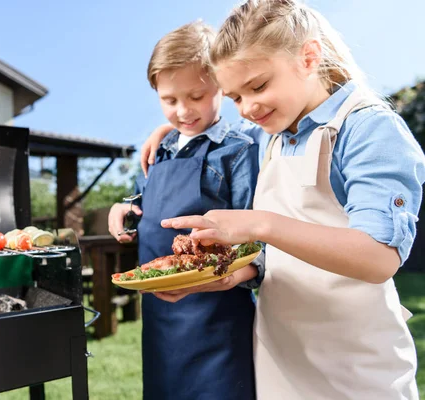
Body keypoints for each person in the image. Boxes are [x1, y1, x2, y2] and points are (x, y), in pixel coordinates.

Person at [141, 1, 425, 399]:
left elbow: (378, 258)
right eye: (236, 96)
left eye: (258, 86)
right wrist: (220, 278)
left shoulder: (367, 129)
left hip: (354, 364)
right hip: (279, 358)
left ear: (309, 57)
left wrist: (260, 224)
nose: (248, 108)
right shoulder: (269, 135)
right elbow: (276, 257)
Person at [107, 21, 260, 400]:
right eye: (169, 100)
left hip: (217, 317)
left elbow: (255, 236)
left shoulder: (238, 151)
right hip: (161, 320)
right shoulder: (159, 150)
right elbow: (145, 201)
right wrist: (124, 208)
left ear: (221, 86)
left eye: (196, 96)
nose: (183, 111)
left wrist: (229, 276)